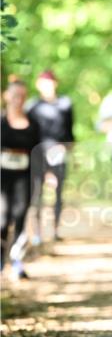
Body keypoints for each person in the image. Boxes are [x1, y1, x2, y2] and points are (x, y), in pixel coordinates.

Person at [27, 70, 75, 243]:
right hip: (37, 154)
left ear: (56, 83)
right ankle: (37, 232)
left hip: (58, 152)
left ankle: (55, 229)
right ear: (38, 85)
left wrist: (67, 150)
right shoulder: (32, 106)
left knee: (58, 192)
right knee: (36, 194)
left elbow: (70, 132)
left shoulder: (65, 104)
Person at [1, 79, 42, 280]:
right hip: (2, 176)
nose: (19, 100)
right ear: (7, 96)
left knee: (19, 216)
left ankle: (16, 260)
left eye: (23, 96)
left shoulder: (33, 124)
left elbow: (39, 152)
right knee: (2, 218)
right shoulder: (1, 122)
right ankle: (0, 261)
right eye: (15, 95)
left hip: (25, 176)